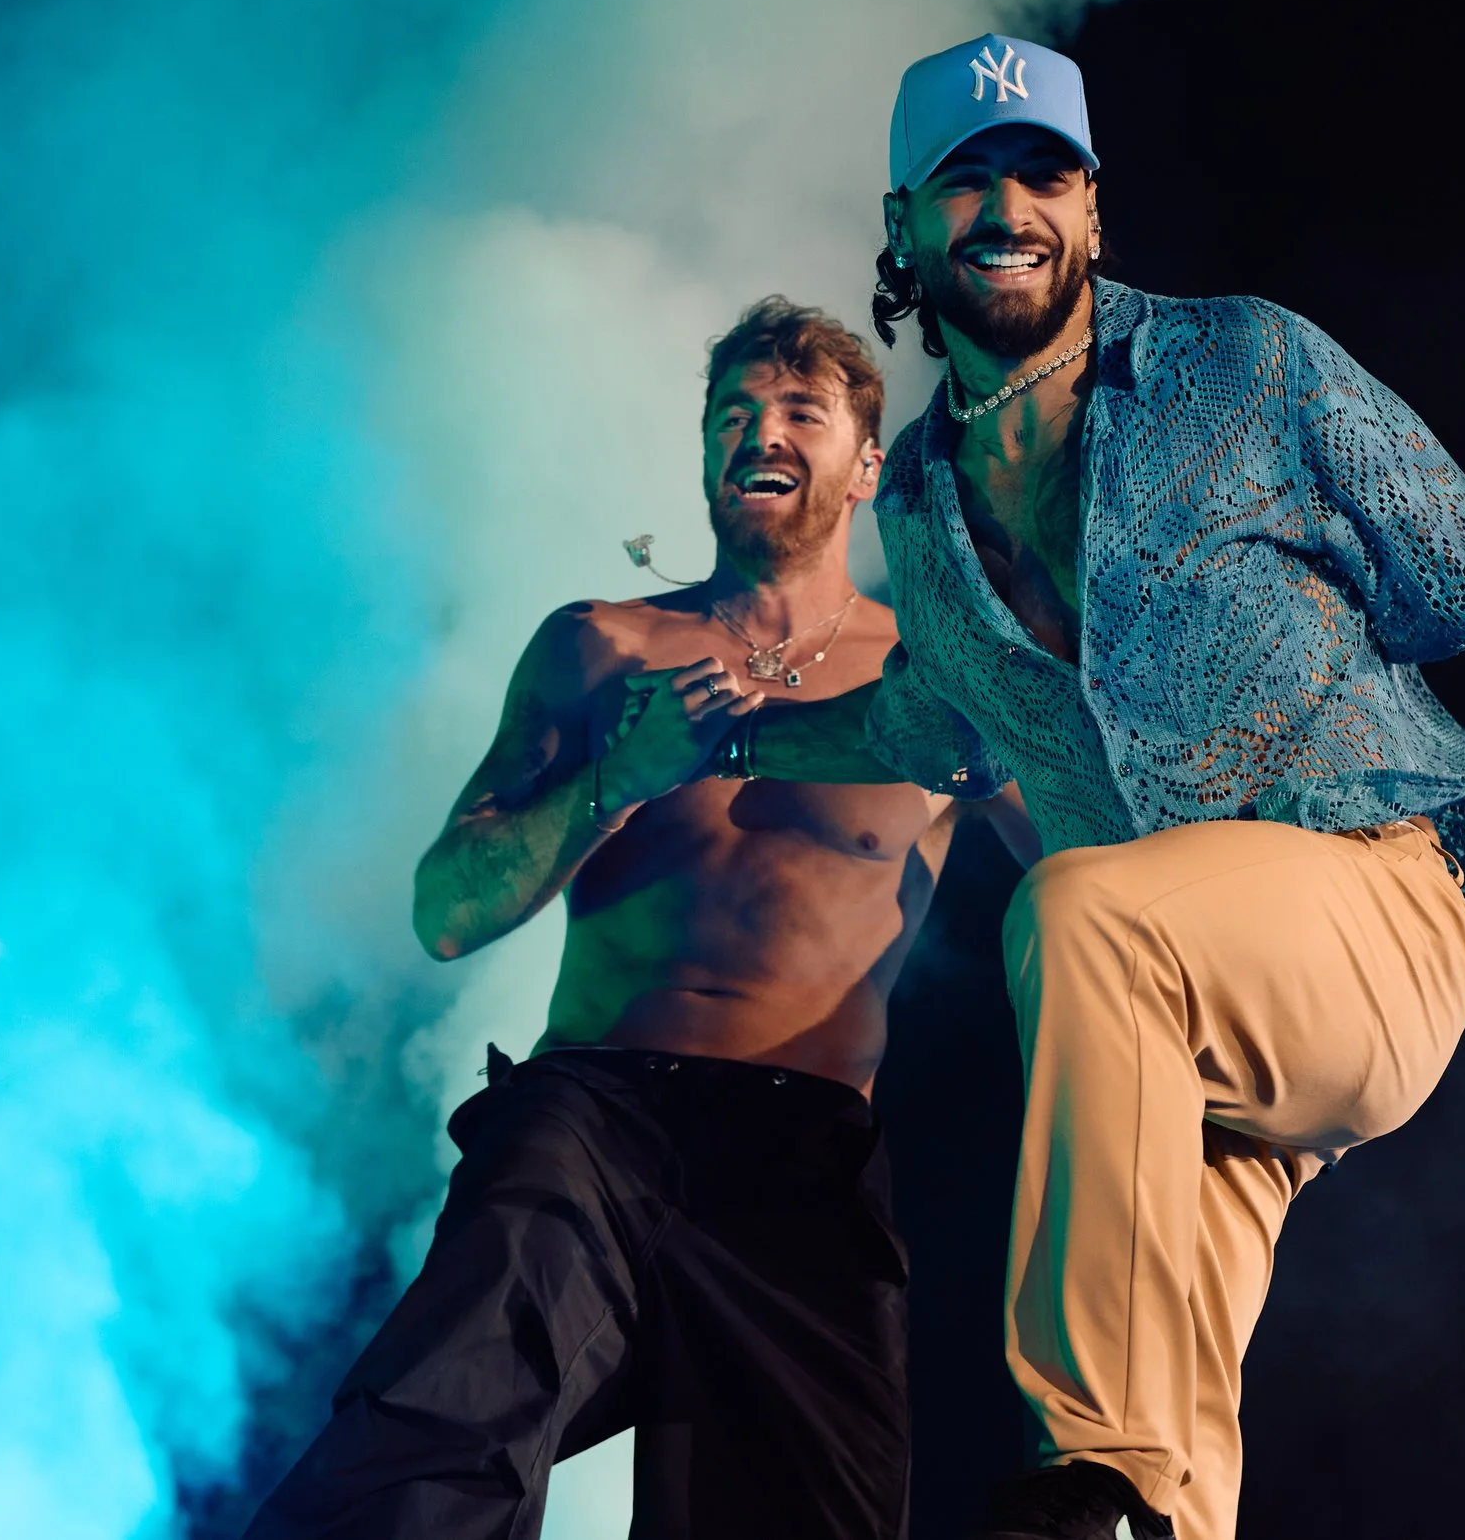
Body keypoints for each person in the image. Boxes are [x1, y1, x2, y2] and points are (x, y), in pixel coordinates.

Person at [738, 34, 1465, 1540]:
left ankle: (1094, 1454)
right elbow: (926, 717)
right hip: (1183, 1049)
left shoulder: (1244, 364)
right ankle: (1133, 1493)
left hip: (1368, 907)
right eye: (966, 180)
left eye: (1043, 174)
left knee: (1083, 913)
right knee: (1172, 1457)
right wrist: (728, 739)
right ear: (905, 221)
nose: (1008, 210)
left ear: (1093, 205)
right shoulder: (914, 498)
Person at [245, 298, 953, 1540]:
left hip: (804, 1157)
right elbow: (445, 910)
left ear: (866, 467)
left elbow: (1091, 858)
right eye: (731, 413)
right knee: (432, 1428)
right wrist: (617, 780)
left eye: (799, 410)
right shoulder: (600, 644)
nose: (758, 433)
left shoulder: (938, 680)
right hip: (594, 1110)